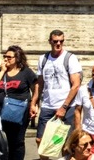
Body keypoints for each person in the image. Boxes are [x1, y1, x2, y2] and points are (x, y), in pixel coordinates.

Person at [34, 30, 82, 160]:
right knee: (41, 140)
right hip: (48, 105)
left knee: (66, 144)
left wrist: (64, 107)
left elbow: (76, 84)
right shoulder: (43, 59)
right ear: (50, 41)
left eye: (61, 41)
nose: (59, 44)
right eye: (55, 41)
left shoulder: (70, 58)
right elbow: (40, 83)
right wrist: (34, 103)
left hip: (66, 106)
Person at [0, 45, 38, 160]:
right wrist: (3, 70)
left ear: (17, 58)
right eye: (5, 56)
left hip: (18, 113)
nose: (6, 59)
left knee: (17, 141)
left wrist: (34, 104)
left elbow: (36, 88)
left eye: (9, 57)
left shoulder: (26, 72)